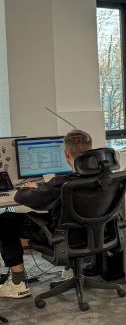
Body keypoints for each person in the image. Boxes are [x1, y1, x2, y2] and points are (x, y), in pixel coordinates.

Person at [0, 129, 93, 300]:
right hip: (94, 235)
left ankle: (18, 283)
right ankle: (72, 269)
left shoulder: (61, 183)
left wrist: (28, 188)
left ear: (66, 154)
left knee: (5, 220)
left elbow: (22, 198)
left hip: (61, 237)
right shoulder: (105, 179)